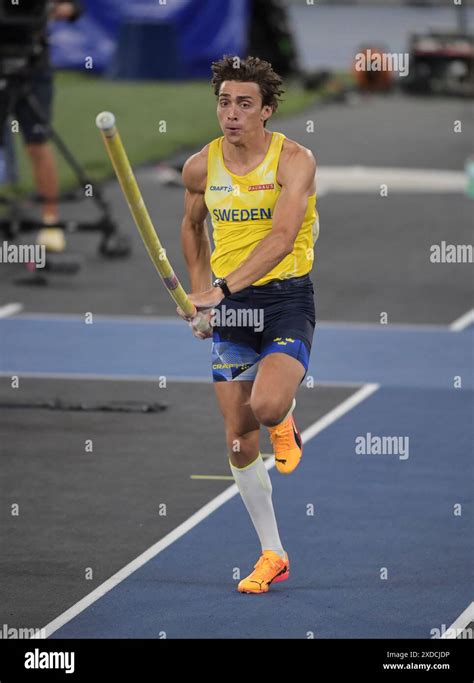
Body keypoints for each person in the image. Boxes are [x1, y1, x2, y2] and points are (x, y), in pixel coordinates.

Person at [178, 55, 319, 594]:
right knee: (238, 440)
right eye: (223, 102)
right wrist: (199, 295)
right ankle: (272, 552)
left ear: (266, 110)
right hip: (229, 307)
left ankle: (285, 420)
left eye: (243, 104)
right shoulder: (200, 166)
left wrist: (220, 289)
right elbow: (193, 228)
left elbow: (282, 238)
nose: (231, 114)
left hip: (284, 298)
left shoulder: (294, 162)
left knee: (265, 406)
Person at [0, 1, 83, 252]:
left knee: (37, 143)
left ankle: (50, 222)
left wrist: (63, 8)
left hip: (32, 70)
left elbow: (74, 8)